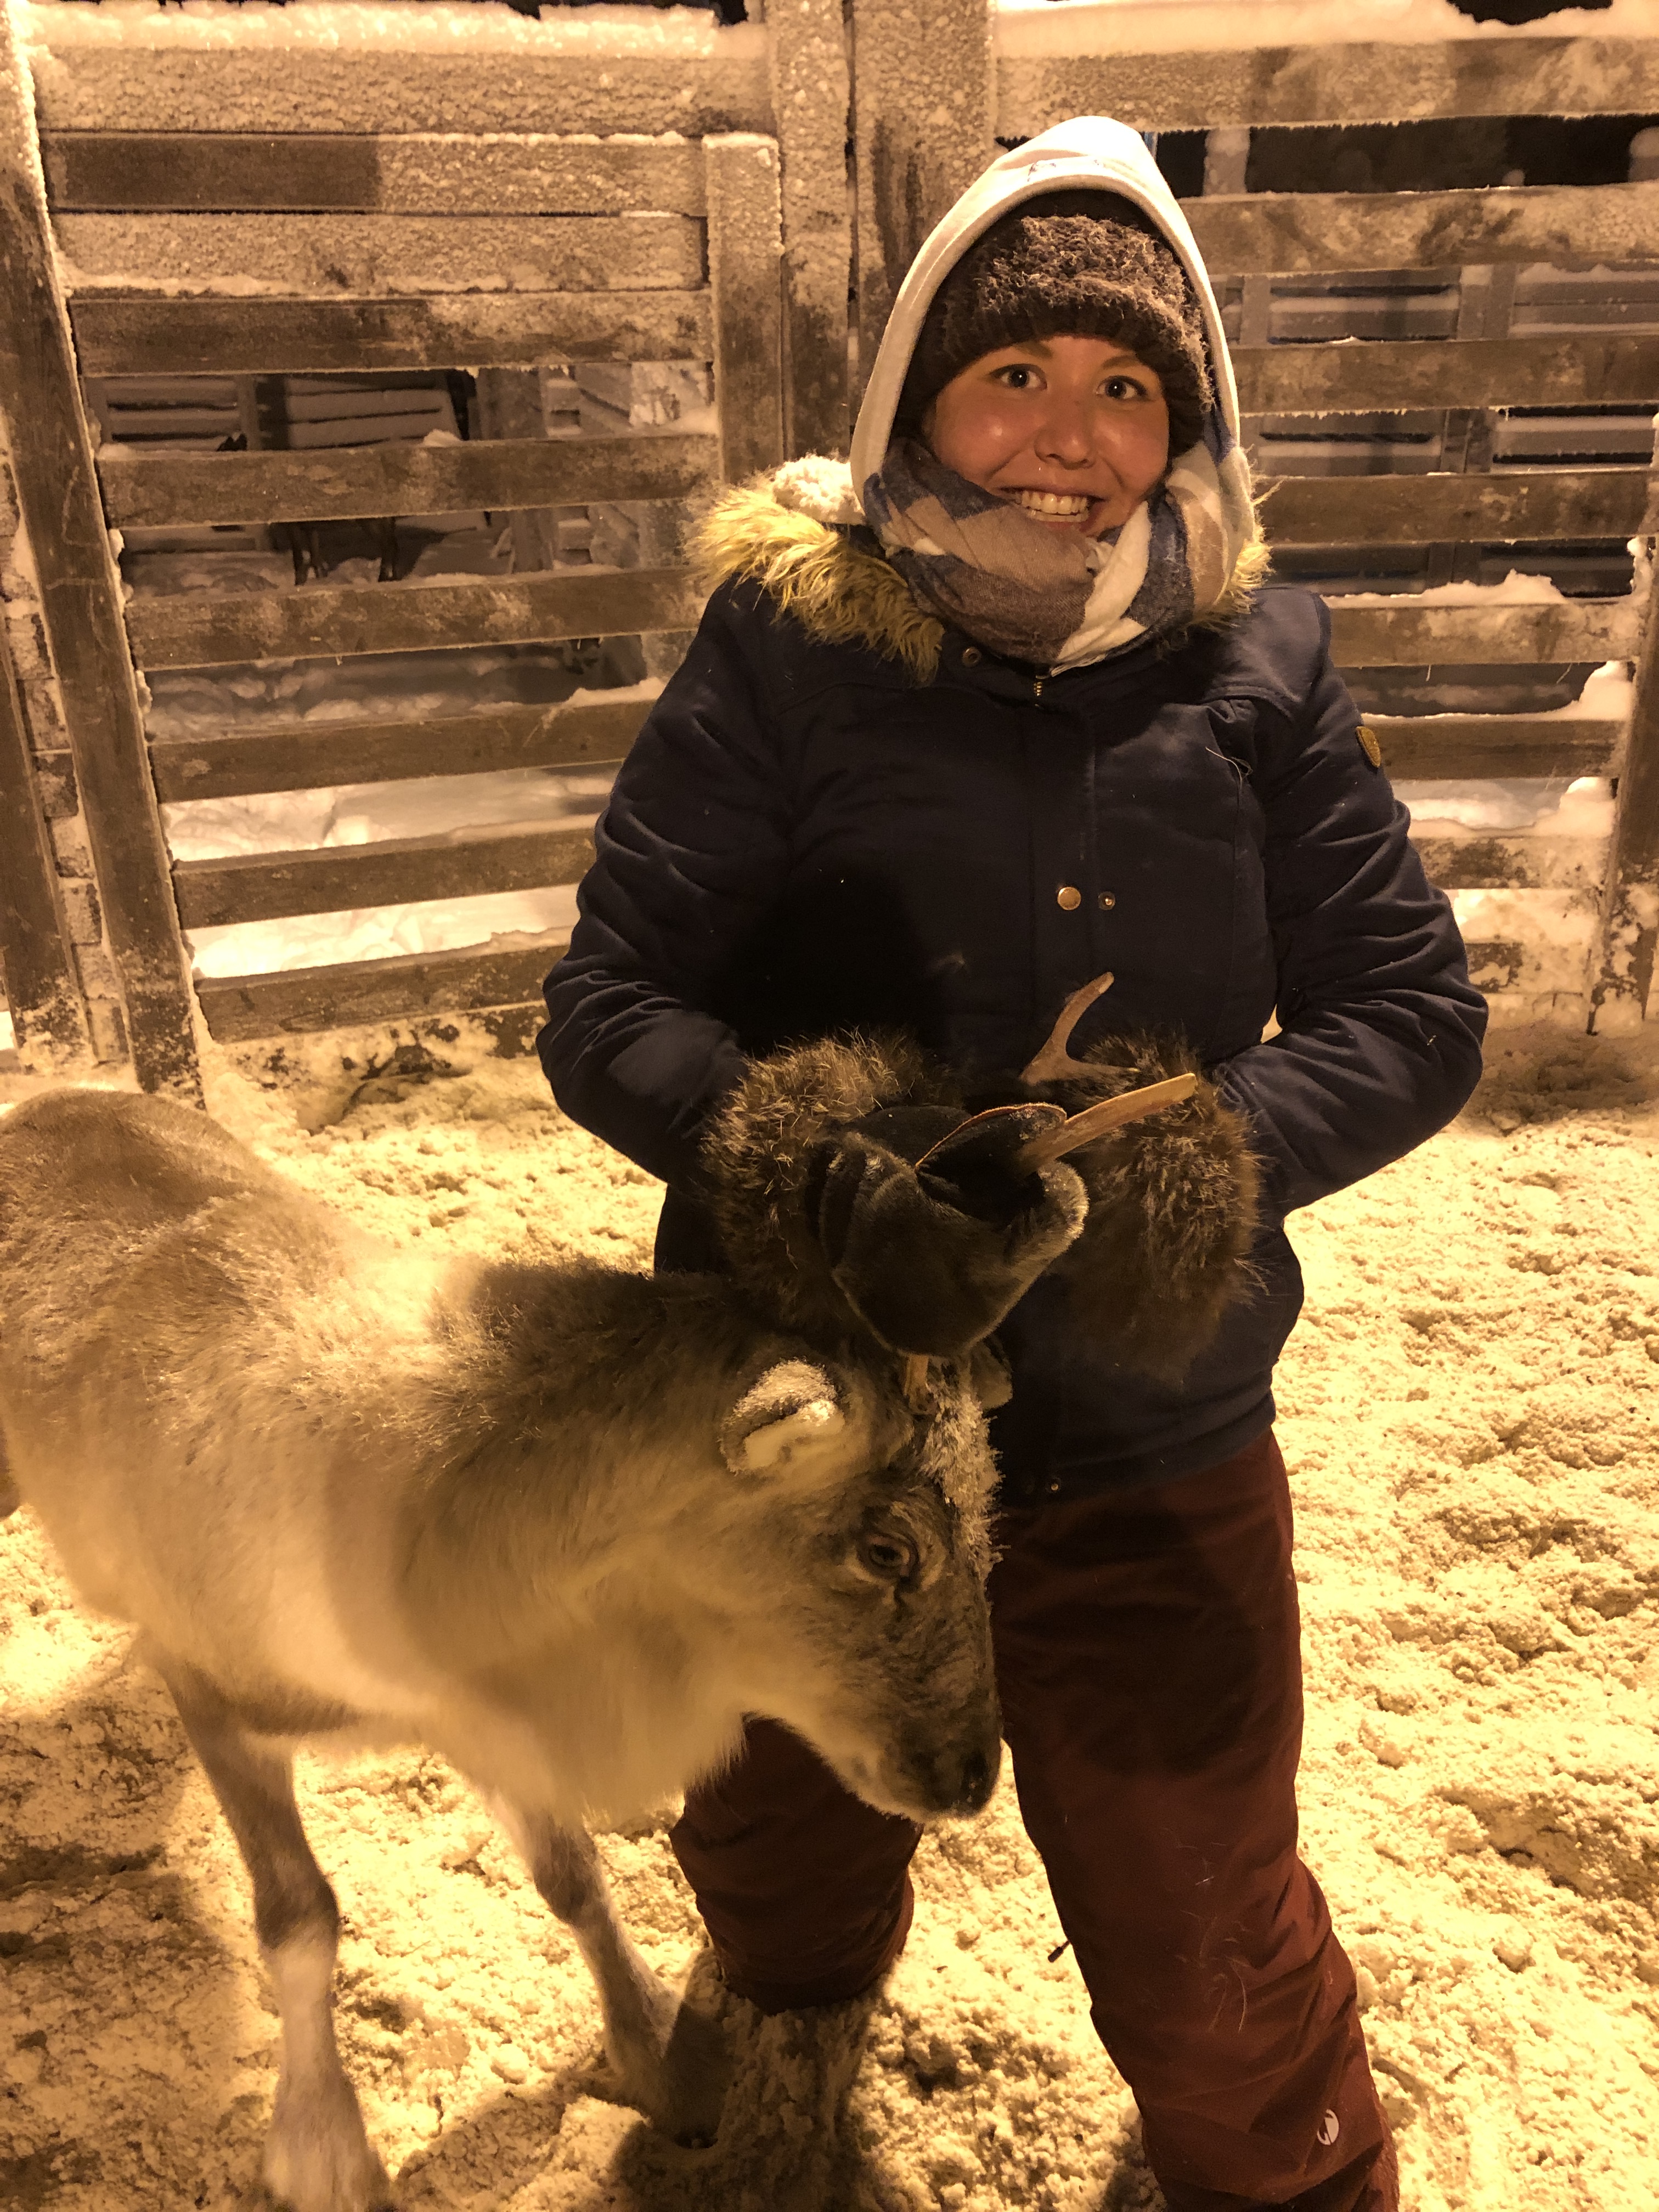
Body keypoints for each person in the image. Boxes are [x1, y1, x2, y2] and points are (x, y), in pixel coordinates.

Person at [538, 115, 1485, 2212]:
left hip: (1150, 1408)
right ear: (917, 403)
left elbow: (1413, 1016)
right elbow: (609, 1006)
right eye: (1020, 374)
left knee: (1201, 1870)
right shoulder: (788, 651)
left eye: (1131, 386)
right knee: (777, 1809)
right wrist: (815, 1172)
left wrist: (1194, 1167)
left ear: (1188, 421)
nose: (1075, 432)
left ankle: (1274, 2171)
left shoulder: (1264, 670)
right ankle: (786, 2056)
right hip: (797, 1398)